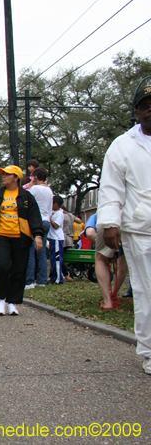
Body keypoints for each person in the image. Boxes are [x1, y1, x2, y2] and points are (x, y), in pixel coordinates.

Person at [97, 80, 151, 374]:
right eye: (145, 106)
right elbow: (111, 189)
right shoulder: (122, 145)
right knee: (146, 291)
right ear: (136, 112)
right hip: (141, 229)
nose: (150, 111)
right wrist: (109, 223)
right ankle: (149, 350)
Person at [0, 165, 43, 316]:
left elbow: (34, 217)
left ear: (16, 177)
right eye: (3, 174)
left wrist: (38, 235)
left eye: (7, 174)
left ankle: (13, 302)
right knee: (2, 265)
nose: (4, 176)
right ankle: (1, 299)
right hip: (1, 236)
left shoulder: (26, 196)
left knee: (19, 270)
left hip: (21, 238)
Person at [85, 213, 128, 311]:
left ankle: (108, 301)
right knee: (123, 265)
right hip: (130, 221)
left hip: (109, 222)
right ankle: (113, 293)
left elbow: (90, 233)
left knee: (100, 258)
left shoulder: (96, 216)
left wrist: (104, 250)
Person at [25, 167, 53, 290]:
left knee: (30, 251)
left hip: (36, 221)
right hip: (46, 221)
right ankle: (42, 280)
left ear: (35, 177)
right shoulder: (49, 190)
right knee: (41, 253)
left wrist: (31, 185)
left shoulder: (35, 189)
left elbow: (27, 199)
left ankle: (29, 280)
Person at [47, 196, 66, 285]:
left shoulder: (59, 214)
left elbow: (56, 226)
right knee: (52, 259)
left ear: (56, 204)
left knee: (57, 259)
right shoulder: (53, 212)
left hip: (57, 238)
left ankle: (59, 279)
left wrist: (50, 219)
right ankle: (53, 277)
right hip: (52, 238)